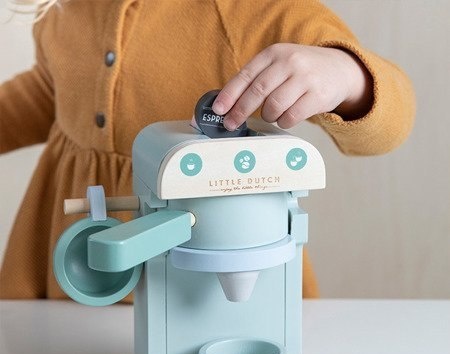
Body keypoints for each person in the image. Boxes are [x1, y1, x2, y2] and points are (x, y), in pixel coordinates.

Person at [0, 0, 415, 300]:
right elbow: (53, 92)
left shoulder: (255, 12)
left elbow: (393, 124)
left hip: (210, 276)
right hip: (71, 273)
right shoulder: (63, 8)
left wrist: (348, 77)